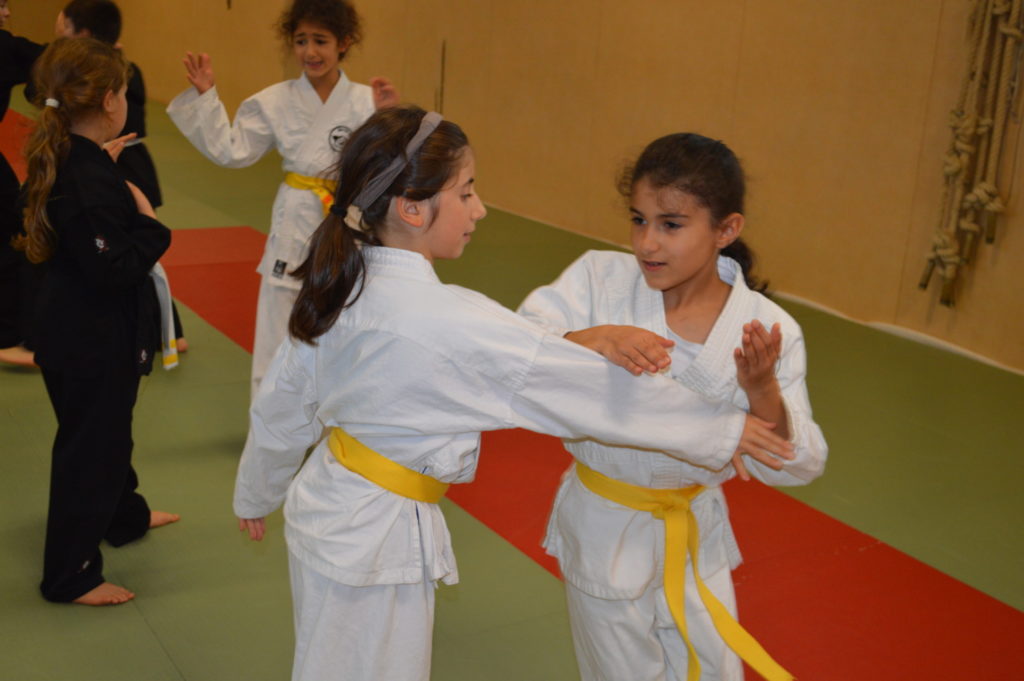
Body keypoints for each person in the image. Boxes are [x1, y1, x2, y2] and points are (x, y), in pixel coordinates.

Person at [233, 107, 796, 681]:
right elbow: (587, 392)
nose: (479, 208)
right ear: (412, 207)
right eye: (467, 192)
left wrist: (257, 491)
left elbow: (282, 404)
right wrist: (723, 429)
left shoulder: (343, 286)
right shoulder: (448, 320)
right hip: (374, 544)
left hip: (326, 510)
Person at [517, 133, 829, 681]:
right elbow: (518, 352)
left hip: (695, 536)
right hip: (604, 528)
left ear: (726, 230)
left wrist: (762, 391)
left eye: (671, 224)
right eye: (638, 220)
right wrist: (596, 336)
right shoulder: (599, 280)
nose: (647, 244)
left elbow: (797, 463)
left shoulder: (766, 326)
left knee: (713, 670)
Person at [17, 37, 179, 606]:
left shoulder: (76, 159)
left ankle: (123, 517)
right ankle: (71, 573)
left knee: (107, 436)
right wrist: (150, 225)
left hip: (73, 332)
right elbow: (114, 267)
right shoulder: (84, 179)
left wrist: (105, 180)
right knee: (91, 451)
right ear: (112, 100)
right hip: (91, 340)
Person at [167, 0, 398, 396]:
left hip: (346, 224)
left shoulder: (365, 102)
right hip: (295, 220)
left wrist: (390, 119)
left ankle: (335, 421)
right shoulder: (273, 100)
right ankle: (269, 424)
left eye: (321, 41)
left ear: (344, 43)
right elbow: (232, 149)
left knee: (344, 321)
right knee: (277, 330)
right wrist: (207, 98)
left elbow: (387, 170)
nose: (310, 52)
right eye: (301, 40)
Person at [55, 0, 188, 358]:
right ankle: (168, 330)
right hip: (118, 162)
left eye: (64, 31)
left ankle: (169, 329)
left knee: (134, 254)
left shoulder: (115, 74)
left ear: (83, 34)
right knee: (125, 253)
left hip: (124, 163)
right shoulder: (118, 70)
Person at [0, 0, 44, 366]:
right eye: (1, 5)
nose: (7, 13)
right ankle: (8, 335)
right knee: (12, 233)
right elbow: (53, 60)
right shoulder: (4, 47)